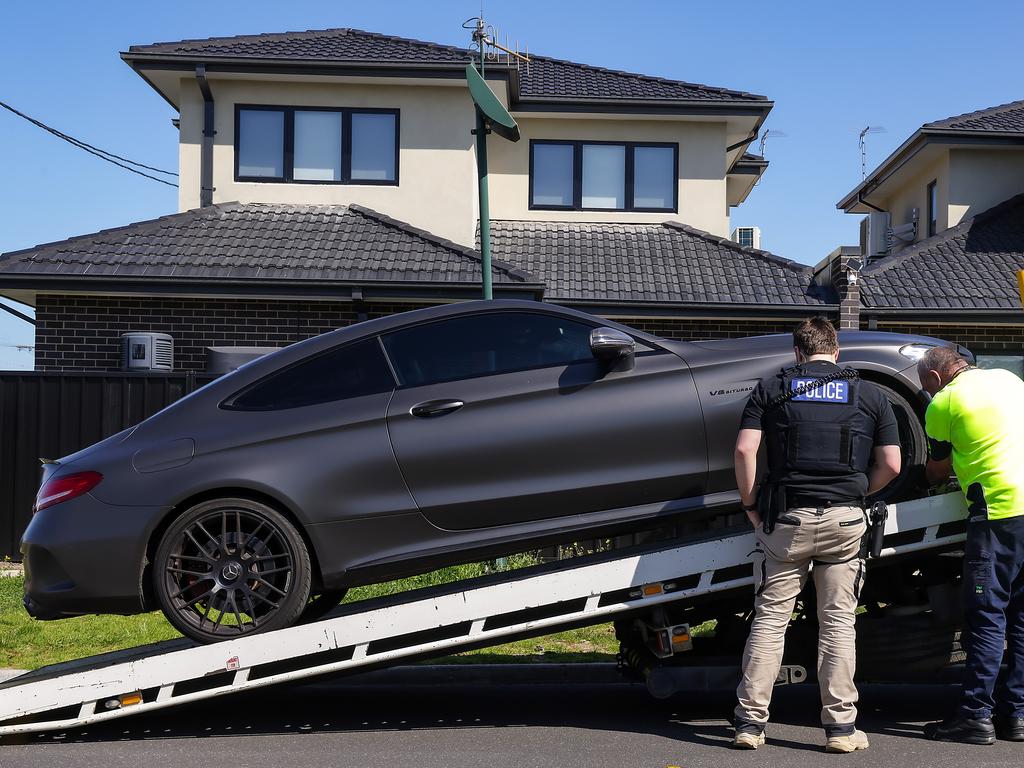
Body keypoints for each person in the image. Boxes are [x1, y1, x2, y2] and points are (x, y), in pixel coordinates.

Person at [731, 317, 901, 753]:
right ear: (837, 350)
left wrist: (751, 505)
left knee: (770, 621)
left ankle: (750, 724)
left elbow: (746, 449)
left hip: (787, 521)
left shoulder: (773, 388)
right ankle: (841, 731)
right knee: (838, 625)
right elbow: (893, 465)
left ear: (797, 352)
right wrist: (859, 492)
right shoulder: (870, 394)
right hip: (845, 522)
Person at [919, 347, 1024, 745]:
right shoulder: (1009, 379)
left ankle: (976, 715)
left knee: (986, 616)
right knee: (1022, 619)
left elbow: (937, 468)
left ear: (933, 377)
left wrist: (926, 477)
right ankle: (1017, 715)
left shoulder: (943, 402)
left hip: (997, 515)